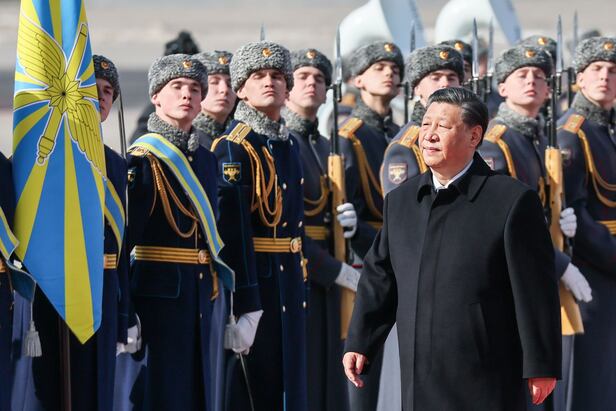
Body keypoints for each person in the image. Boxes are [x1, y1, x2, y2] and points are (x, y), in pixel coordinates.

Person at [344, 87, 562, 411]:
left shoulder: (511, 201)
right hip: (419, 373)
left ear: (474, 136)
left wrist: (541, 364)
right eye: (426, 125)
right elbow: (380, 277)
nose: (429, 135)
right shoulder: (402, 201)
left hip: (486, 373)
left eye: (443, 126)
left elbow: (535, 290)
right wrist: (361, 340)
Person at [479, 45, 593, 411]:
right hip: (511, 279)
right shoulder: (495, 143)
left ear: (549, 89)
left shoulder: (539, 137)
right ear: (502, 87)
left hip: (539, 272)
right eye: (522, 75)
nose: (532, 81)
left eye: (540, 77)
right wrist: (561, 264)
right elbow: (503, 223)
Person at [25, 55, 131, 411]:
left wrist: (124, 315)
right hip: (55, 295)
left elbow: (121, 246)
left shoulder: (116, 163)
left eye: (107, 91)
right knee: (54, 394)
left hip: (104, 293)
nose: (100, 97)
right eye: (91, 88)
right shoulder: (49, 154)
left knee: (97, 394)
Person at [127, 54, 230, 410]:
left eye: (195, 89)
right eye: (177, 87)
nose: (187, 94)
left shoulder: (206, 159)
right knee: (160, 395)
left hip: (199, 294)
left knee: (196, 394)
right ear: (156, 96)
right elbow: (126, 244)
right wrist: (125, 310)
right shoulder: (143, 158)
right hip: (157, 299)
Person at [212, 41, 307, 411]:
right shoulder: (234, 147)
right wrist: (246, 304)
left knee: (289, 386)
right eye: (258, 76)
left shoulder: (288, 143)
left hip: (289, 281)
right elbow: (233, 233)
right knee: (254, 390)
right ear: (241, 89)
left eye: (277, 76)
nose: (270, 82)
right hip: (259, 284)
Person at [282, 48, 357, 411]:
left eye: (319, 79)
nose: (312, 84)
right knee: (307, 375)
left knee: (330, 376)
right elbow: (287, 223)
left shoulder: (326, 145)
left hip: (328, 272)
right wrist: (333, 269)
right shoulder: (283, 143)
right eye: (303, 77)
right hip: (303, 270)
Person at [557, 36, 616, 410]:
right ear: (579, 78)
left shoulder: (607, 127)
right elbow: (575, 211)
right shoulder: (572, 132)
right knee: (590, 381)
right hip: (591, 270)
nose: (605, 77)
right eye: (596, 69)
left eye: (613, 71)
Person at [382, 44, 464, 194]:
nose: (445, 83)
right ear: (417, 89)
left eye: (451, 78)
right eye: (436, 78)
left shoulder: (465, 134)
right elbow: (400, 205)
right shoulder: (406, 147)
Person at [193, 50, 237, 149]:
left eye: (230, 84)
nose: (224, 90)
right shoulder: (188, 137)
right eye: (214, 82)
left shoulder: (239, 138)